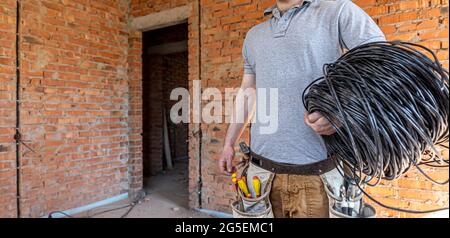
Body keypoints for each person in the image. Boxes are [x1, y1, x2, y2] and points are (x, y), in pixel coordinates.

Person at [219, 0, 385, 218]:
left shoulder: (338, 11)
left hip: (320, 177)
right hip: (261, 176)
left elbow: (381, 64)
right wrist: (229, 143)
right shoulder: (253, 36)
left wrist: (342, 112)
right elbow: (248, 91)